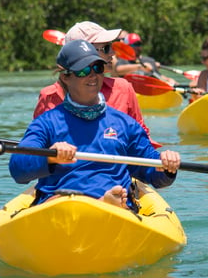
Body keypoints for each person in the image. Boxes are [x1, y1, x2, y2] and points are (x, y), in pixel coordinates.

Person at [10, 39, 181, 209]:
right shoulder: (46, 123)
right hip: (60, 205)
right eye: (84, 70)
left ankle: (104, 204)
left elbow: (152, 174)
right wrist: (50, 157)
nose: (93, 75)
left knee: (115, 199)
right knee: (60, 201)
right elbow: (18, 169)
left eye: (97, 68)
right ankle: (98, 203)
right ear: (66, 77)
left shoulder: (125, 124)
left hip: (115, 206)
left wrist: (166, 166)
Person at [34, 20, 156, 144]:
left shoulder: (123, 88)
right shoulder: (49, 95)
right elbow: (38, 145)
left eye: (111, 47)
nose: (113, 53)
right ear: (83, 52)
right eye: (106, 48)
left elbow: (142, 137)